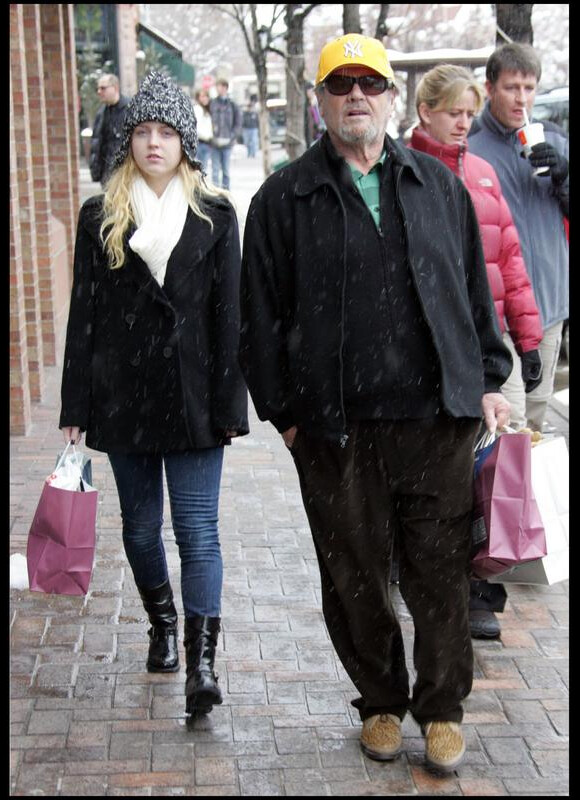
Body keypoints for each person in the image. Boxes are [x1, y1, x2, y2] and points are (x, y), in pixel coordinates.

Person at [239, 33, 512, 772]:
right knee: (355, 574)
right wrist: (286, 415)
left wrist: (488, 375)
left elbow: (472, 291)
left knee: (440, 572)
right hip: (335, 427)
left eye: (369, 82)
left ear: (391, 96)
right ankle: (383, 703)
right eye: (340, 84)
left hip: (436, 420)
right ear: (320, 99)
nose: (355, 94)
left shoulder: (437, 185)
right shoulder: (283, 198)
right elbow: (257, 319)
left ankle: (443, 707)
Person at [59, 71, 249, 720]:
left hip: (195, 399)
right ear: (128, 142)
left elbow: (231, 320)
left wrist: (230, 406)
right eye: (142, 131)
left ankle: (202, 664)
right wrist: (74, 406)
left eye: (166, 131)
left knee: (199, 531)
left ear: (185, 143)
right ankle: (162, 621)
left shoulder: (217, 217)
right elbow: (83, 316)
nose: (153, 142)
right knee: (140, 529)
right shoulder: (99, 217)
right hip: (123, 396)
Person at [410, 64, 545, 642]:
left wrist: (528, 336)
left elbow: (510, 262)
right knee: (446, 468)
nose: (464, 123)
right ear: (426, 113)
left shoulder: (485, 174)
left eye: (470, 113)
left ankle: (485, 581)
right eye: (453, 113)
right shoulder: (405, 175)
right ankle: (435, 572)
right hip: (435, 347)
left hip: (492, 345)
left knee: (502, 460)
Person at [468, 43, 569, 435]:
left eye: (529, 88)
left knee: (538, 416)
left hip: (549, 304)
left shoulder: (555, 143)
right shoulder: (474, 147)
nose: (521, 98)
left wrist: (564, 174)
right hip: (499, 313)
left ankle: (524, 496)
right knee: (510, 424)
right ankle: (501, 496)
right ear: (490, 88)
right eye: (512, 87)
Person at [89, 73, 131, 186]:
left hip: (127, 174)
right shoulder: (101, 113)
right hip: (108, 176)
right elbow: (97, 144)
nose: (99, 92)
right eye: (98, 88)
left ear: (115, 88)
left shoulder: (130, 109)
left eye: (103, 88)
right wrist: (96, 171)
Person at [210, 78, 242, 189]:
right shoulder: (212, 103)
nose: (218, 89)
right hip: (214, 143)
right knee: (215, 171)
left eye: (220, 86)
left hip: (227, 143)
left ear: (225, 88)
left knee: (226, 171)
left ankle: (226, 195)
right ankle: (215, 195)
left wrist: (232, 136)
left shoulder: (232, 105)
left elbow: (238, 123)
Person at [193, 87, 214, 174]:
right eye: (202, 96)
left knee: (203, 168)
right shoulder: (197, 109)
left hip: (207, 143)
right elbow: (197, 127)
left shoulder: (207, 110)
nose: (205, 98)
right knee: (199, 170)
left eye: (206, 96)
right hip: (200, 142)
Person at [304, 81, 326, 146]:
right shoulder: (307, 105)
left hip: (319, 133)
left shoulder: (317, 104)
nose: (309, 93)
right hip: (312, 136)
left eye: (311, 91)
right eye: (308, 91)